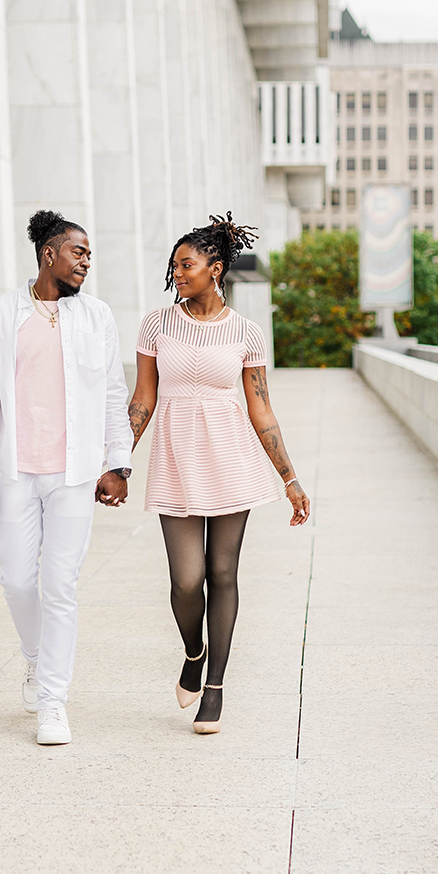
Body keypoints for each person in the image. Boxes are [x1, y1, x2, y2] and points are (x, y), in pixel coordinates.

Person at [129, 214, 312, 735]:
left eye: (186, 264)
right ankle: (194, 652)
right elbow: (143, 398)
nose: (176, 273)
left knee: (223, 573)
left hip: (231, 459)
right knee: (187, 581)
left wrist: (289, 478)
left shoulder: (246, 333)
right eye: (174, 265)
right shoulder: (156, 324)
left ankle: (215, 686)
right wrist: (119, 460)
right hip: (175, 458)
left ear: (216, 268)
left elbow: (261, 409)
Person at [0, 211, 133, 746]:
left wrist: (118, 462)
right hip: (15, 469)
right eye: (78, 252)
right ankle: (36, 660)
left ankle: (53, 702)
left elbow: (112, 394)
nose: (86, 261)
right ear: (48, 254)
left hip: (76, 473)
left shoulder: (97, 317)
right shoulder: (0, 315)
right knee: (16, 578)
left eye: (89, 254)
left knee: (60, 585)